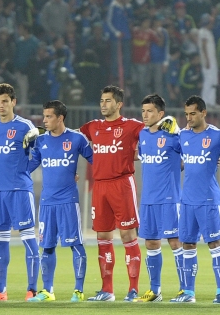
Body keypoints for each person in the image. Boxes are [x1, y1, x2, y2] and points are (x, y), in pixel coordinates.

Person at [79, 85, 145, 302]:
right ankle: (107, 290)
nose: (103, 105)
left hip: (122, 184)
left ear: (119, 104)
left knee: (128, 235)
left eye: (108, 101)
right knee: (103, 236)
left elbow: (153, 135)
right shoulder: (92, 127)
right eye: (101, 101)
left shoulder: (132, 126)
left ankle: (133, 289)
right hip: (100, 186)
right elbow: (68, 141)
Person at [171, 95, 220, 303]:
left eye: (192, 113)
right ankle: (189, 293)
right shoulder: (182, 136)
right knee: (188, 244)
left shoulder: (217, 135)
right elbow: (182, 162)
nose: (189, 118)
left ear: (203, 113)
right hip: (187, 200)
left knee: (214, 244)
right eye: (186, 114)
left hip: (208, 199)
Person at [26, 100, 93, 302]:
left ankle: (78, 290)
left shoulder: (77, 139)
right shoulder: (40, 141)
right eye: (44, 116)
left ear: (60, 118)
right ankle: (48, 291)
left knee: (76, 244)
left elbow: (96, 161)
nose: (44, 120)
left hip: (68, 201)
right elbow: (28, 168)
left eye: (48, 116)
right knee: (46, 246)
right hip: (47, 202)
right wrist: (23, 149)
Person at [0, 83, 40, 302]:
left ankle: (32, 290)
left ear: (13, 102)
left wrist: (25, 171)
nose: (1, 105)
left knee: (27, 237)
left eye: (5, 101)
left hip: (19, 190)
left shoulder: (25, 126)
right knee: (0, 239)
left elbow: (39, 153)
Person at [133, 94, 183, 302]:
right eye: (143, 111)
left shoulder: (173, 136)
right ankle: (155, 291)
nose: (145, 115)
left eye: (150, 111)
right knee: (151, 243)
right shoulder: (143, 135)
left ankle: (186, 290)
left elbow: (188, 156)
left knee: (175, 242)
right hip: (148, 200)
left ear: (161, 114)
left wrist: (178, 131)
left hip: (169, 198)